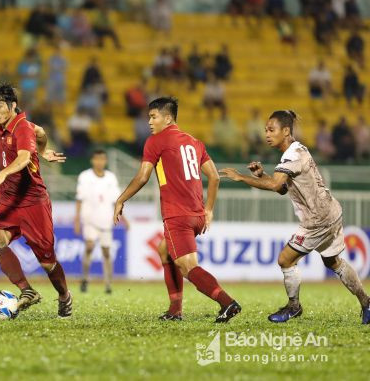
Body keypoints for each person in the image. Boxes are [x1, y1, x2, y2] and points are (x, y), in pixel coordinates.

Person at [219, 110, 370, 324]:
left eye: (271, 130)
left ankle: (293, 307)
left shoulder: (292, 154)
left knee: (285, 259)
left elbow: (275, 185)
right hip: (330, 212)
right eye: (265, 130)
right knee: (333, 261)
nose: (267, 134)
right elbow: (282, 188)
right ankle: (367, 303)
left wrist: (241, 177)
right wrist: (262, 176)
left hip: (317, 220)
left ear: (286, 131)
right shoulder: (294, 152)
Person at [114, 97, 240, 323]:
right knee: (165, 251)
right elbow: (214, 177)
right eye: (149, 117)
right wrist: (208, 210)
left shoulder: (156, 141)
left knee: (188, 267)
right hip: (197, 214)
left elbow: (142, 177)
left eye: (154, 117)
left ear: (168, 118)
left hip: (178, 215)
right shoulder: (194, 142)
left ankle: (227, 302)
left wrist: (120, 199)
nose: (150, 122)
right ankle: (175, 310)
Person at [0, 84, 72, 317]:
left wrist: (3, 173)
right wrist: (43, 151)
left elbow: (23, 157)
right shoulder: (7, 126)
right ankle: (27, 291)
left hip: (33, 202)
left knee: (47, 262)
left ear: (12, 106)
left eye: (0, 106)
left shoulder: (21, 128)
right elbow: (41, 132)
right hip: (9, 202)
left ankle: (64, 295)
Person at [75, 150, 126, 294]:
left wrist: (124, 218)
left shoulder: (111, 178)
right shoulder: (85, 176)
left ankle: (108, 284)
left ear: (105, 161)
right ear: (92, 160)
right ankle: (84, 278)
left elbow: (116, 200)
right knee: (90, 246)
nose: (100, 162)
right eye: (97, 159)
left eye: (102, 159)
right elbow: (79, 199)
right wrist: (77, 219)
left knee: (106, 251)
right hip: (89, 218)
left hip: (105, 219)